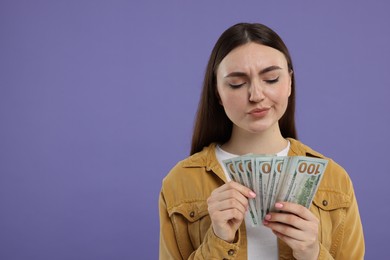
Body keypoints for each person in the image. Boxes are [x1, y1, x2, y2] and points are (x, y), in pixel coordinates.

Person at [159, 22, 364, 260]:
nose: (256, 95)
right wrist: (218, 240)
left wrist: (312, 253)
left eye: (271, 79)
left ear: (289, 82)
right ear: (217, 93)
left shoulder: (334, 180)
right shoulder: (180, 182)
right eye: (237, 83)